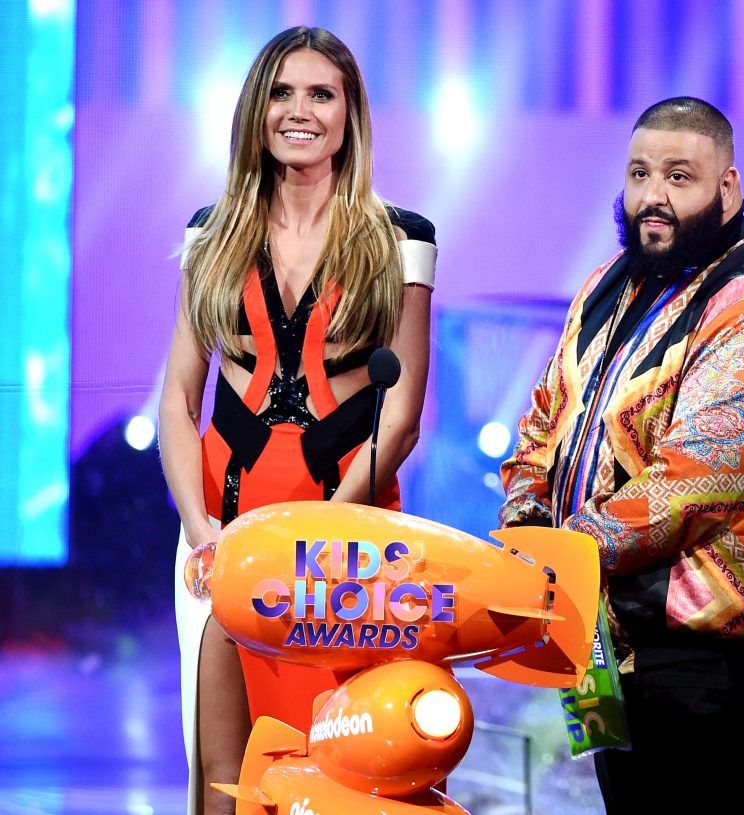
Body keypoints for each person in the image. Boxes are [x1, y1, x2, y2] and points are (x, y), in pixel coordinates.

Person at [499, 97, 744, 813]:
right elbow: (541, 424)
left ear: (728, 187)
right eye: (639, 173)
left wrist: (553, 551)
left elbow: (692, 486)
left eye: (678, 176)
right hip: (599, 636)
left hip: (712, 663)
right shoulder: (607, 286)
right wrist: (525, 519)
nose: (652, 195)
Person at [158, 27, 435, 815]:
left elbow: (404, 412)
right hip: (222, 539)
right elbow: (178, 399)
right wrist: (200, 528)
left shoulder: (400, 239)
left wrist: (325, 534)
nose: (299, 110)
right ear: (256, 108)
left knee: (340, 773)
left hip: (347, 549)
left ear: (351, 114)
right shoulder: (211, 235)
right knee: (221, 779)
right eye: (282, 92)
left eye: (321, 94)